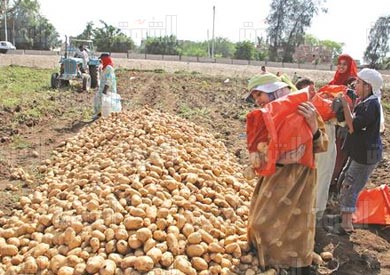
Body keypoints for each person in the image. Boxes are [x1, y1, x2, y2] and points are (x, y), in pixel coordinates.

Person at [245, 73, 328, 274]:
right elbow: (256, 156)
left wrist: (313, 126)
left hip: (301, 179)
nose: (257, 101)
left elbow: (322, 144)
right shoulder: (264, 116)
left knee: (296, 223)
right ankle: (266, 255)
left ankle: (294, 263)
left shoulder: (306, 109)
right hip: (275, 176)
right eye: (255, 97)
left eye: (259, 95)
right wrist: (281, 159)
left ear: (273, 90)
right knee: (262, 222)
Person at [329, 68, 383, 234]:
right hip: (361, 151)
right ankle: (344, 215)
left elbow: (352, 127)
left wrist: (344, 104)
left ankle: (346, 224)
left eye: (359, 82)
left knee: (350, 184)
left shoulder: (371, 105)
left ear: (368, 86)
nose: (355, 85)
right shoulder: (366, 101)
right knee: (345, 178)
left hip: (366, 155)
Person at [296, 78, 337, 221]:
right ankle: (310, 212)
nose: (313, 92)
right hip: (315, 146)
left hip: (326, 144)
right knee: (315, 177)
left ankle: (316, 212)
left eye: (314, 89)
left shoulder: (322, 102)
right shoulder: (303, 107)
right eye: (309, 90)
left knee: (323, 176)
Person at [329, 54, 358, 192]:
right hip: (331, 123)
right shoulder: (334, 81)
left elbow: (354, 104)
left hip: (343, 126)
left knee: (339, 154)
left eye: (344, 64)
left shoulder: (352, 82)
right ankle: (328, 179)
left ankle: (334, 182)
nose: (341, 66)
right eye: (339, 63)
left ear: (350, 66)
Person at [93, 53, 117, 120]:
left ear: (105, 59)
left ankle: (104, 115)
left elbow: (110, 79)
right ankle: (99, 114)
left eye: (102, 59)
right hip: (103, 88)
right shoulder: (105, 67)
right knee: (99, 100)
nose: (101, 61)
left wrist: (105, 90)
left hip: (108, 89)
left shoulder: (109, 67)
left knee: (106, 102)